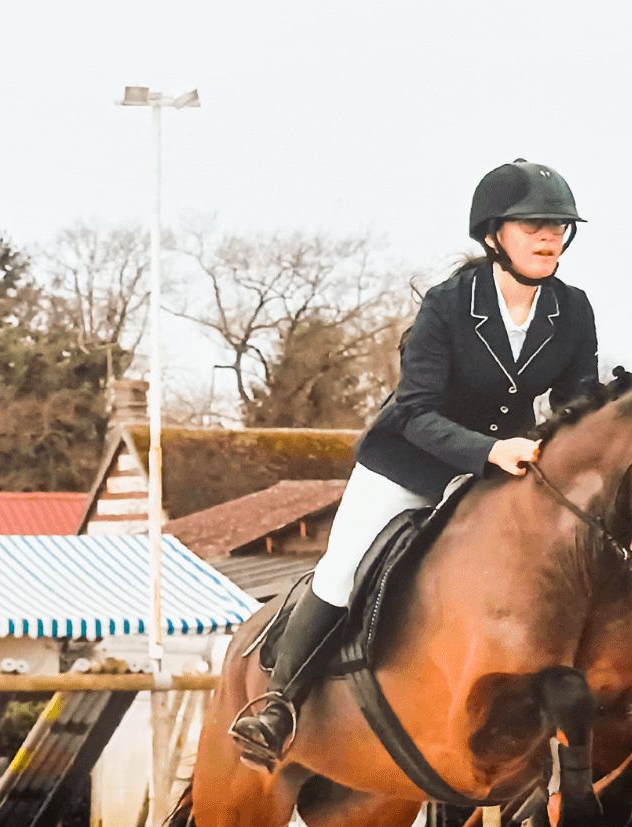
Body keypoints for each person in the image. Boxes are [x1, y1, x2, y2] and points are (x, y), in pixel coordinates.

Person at [229, 159, 601, 770]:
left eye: (560, 226)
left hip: (499, 471)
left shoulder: (572, 309)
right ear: (492, 236)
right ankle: (277, 706)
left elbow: (577, 404)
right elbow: (414, 411)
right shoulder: (449, 305)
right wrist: (487, 450)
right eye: (534, 224)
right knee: (343, 569)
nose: (550, 236)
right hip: (410, 464)